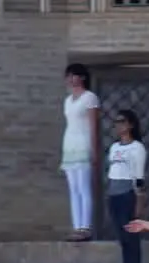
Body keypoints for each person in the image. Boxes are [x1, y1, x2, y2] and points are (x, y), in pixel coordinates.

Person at [105, 109, 147, 263]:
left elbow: (139, 176)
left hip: (127, 193)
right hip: (114, 193)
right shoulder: (114, 148)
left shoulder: (137, 148)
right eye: (116, 122)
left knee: (131, 237)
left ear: (130, 124)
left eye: (122, 121)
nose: (118, 125)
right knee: (122, 238)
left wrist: (139, 200)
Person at [62, 63, 101, 242]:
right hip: (69, 144)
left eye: (74, 75)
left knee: (84, 187)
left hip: (84, 143)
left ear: (82, 77)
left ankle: (86, 227)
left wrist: (94, 149)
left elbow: (93, 126)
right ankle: (76, 226)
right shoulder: (68, 100)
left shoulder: (90, 98)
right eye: (68, 76)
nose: (70, 79)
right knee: (73, 189)